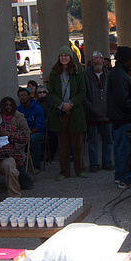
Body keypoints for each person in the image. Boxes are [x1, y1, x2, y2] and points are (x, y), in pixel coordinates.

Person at [47, 46, 87, 180]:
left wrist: (71, 103)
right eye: (61, 55)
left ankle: (80, 169)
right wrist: (61, 104)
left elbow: (82, 92)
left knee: (77, 144)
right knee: (63, 145)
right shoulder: (54, 73)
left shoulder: (77, 72)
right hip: (60, 113)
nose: (63, 58)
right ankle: (64, 171)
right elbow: (51, 93)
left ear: (70, 57)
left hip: (75, 112)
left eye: (66, 55)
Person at [107, 46, 131, 188]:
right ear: (125, 60)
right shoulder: (119, 75)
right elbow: (122, 100)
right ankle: (125, 179)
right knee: (125, 150)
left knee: (119, 148)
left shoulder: (118, 73)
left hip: (120, 118)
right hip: (124, 119)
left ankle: (120, 176)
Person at [83, 50, 113, 173]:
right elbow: (83, 95)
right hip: (92, 114)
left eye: (98, 58)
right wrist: (91, 107)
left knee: (108, 141)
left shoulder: (109, 74)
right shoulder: (85, 75)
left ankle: (107, 162)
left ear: (102, 60)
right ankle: (94, 164)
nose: (96, 60)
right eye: (93, 58)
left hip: (107, 114)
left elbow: (113, 93)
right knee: (93, 141)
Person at [17, 87, 45, 173]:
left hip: (37, 132)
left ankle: (36, 166)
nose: (22, 97)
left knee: (33, 139)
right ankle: (19, 167)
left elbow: (40, 126)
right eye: (20, 96)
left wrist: (30, 132)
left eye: (24, 95)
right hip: (22, 133)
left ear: (29, 96)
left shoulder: (37, 108)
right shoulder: (18, 110)